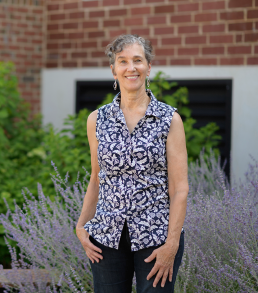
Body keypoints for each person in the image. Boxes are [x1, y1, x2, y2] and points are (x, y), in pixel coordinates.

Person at [76, 34, 188, 293]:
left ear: (149, 66)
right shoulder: (97, 119)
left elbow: (180, 188)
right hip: (106, 236)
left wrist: (172, 244)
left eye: (138, 60)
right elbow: (96, 179)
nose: (131, 68)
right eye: (123, 61)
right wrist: (81, 226)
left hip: (156, 236)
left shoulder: (169, 119)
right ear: (113, 69)